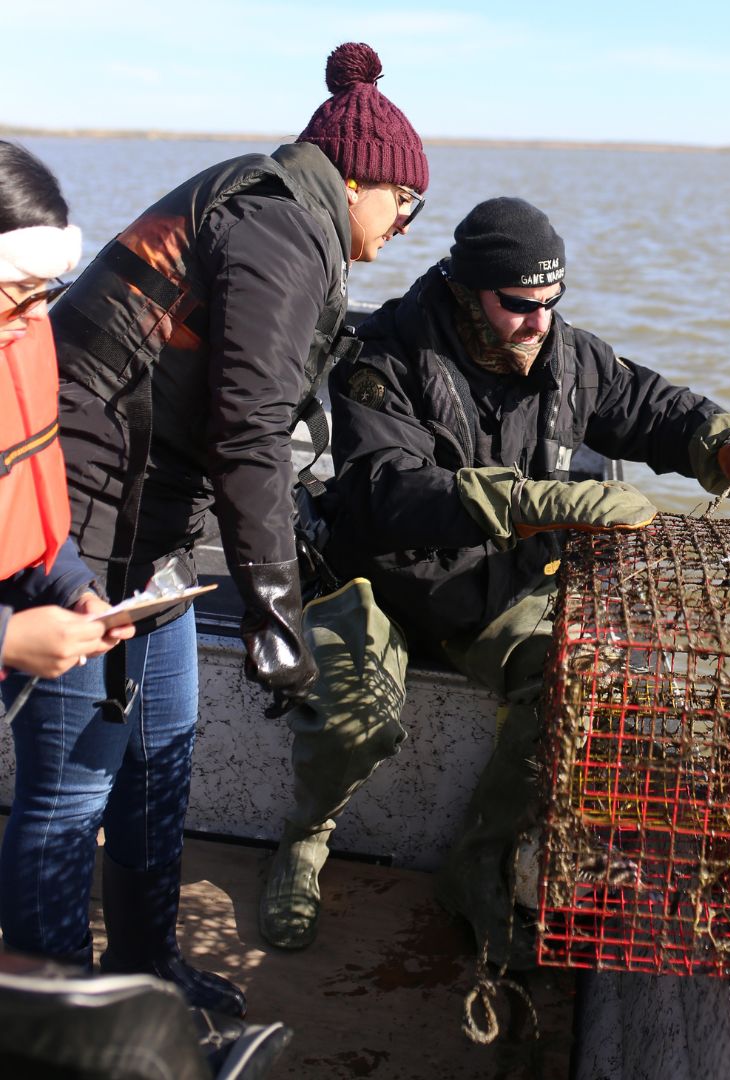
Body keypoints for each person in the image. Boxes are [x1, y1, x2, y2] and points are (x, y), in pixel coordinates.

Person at [258, 196, 730, 968]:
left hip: (497, 594)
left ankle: (477, 871)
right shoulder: (385, 357)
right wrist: (533, 502)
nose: (536, 322)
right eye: (517, 305)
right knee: (352, 710)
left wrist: (729, 443)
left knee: (579, 684)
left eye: (551, 302)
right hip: (381, 585)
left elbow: (655, 411)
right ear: (465, 287)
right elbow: (387, 490)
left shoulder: (572, 358)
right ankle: (302, 843)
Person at [1, 42, 428, 1017]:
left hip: (153, 527)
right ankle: (54, 1018)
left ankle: (149, 977)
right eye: (406, 205)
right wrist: (277, 613)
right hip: (83, 515)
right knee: (71, 794)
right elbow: (247, 430)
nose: (406, 226)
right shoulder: (282, 223)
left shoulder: (290, 214)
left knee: (163, 760)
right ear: (366, 181)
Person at [0, 142, 131, 686]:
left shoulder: (20, 344)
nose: (35, 318)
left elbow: (26, 518)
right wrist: (9, 637)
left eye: (44, 295)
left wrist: (73, 588)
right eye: (21, 291)